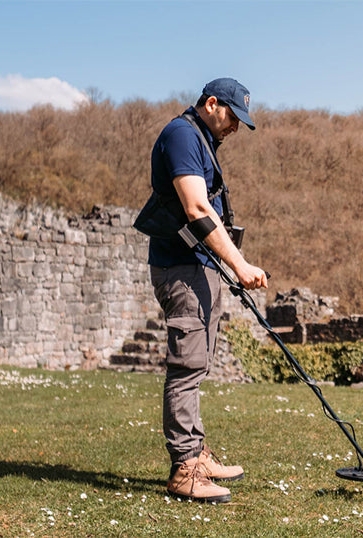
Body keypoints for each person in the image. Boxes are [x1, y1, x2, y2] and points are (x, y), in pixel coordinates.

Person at [146, 77, 267, 503]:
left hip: (199, 267)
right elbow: (196, 208)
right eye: (233, 117)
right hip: (181, 270)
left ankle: (197, 453)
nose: (235, 127)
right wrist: (240, 265)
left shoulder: (201, 141)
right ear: (211, 103)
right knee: (186, 366)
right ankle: (185, 470)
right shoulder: (182, 135)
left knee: (197, 364)